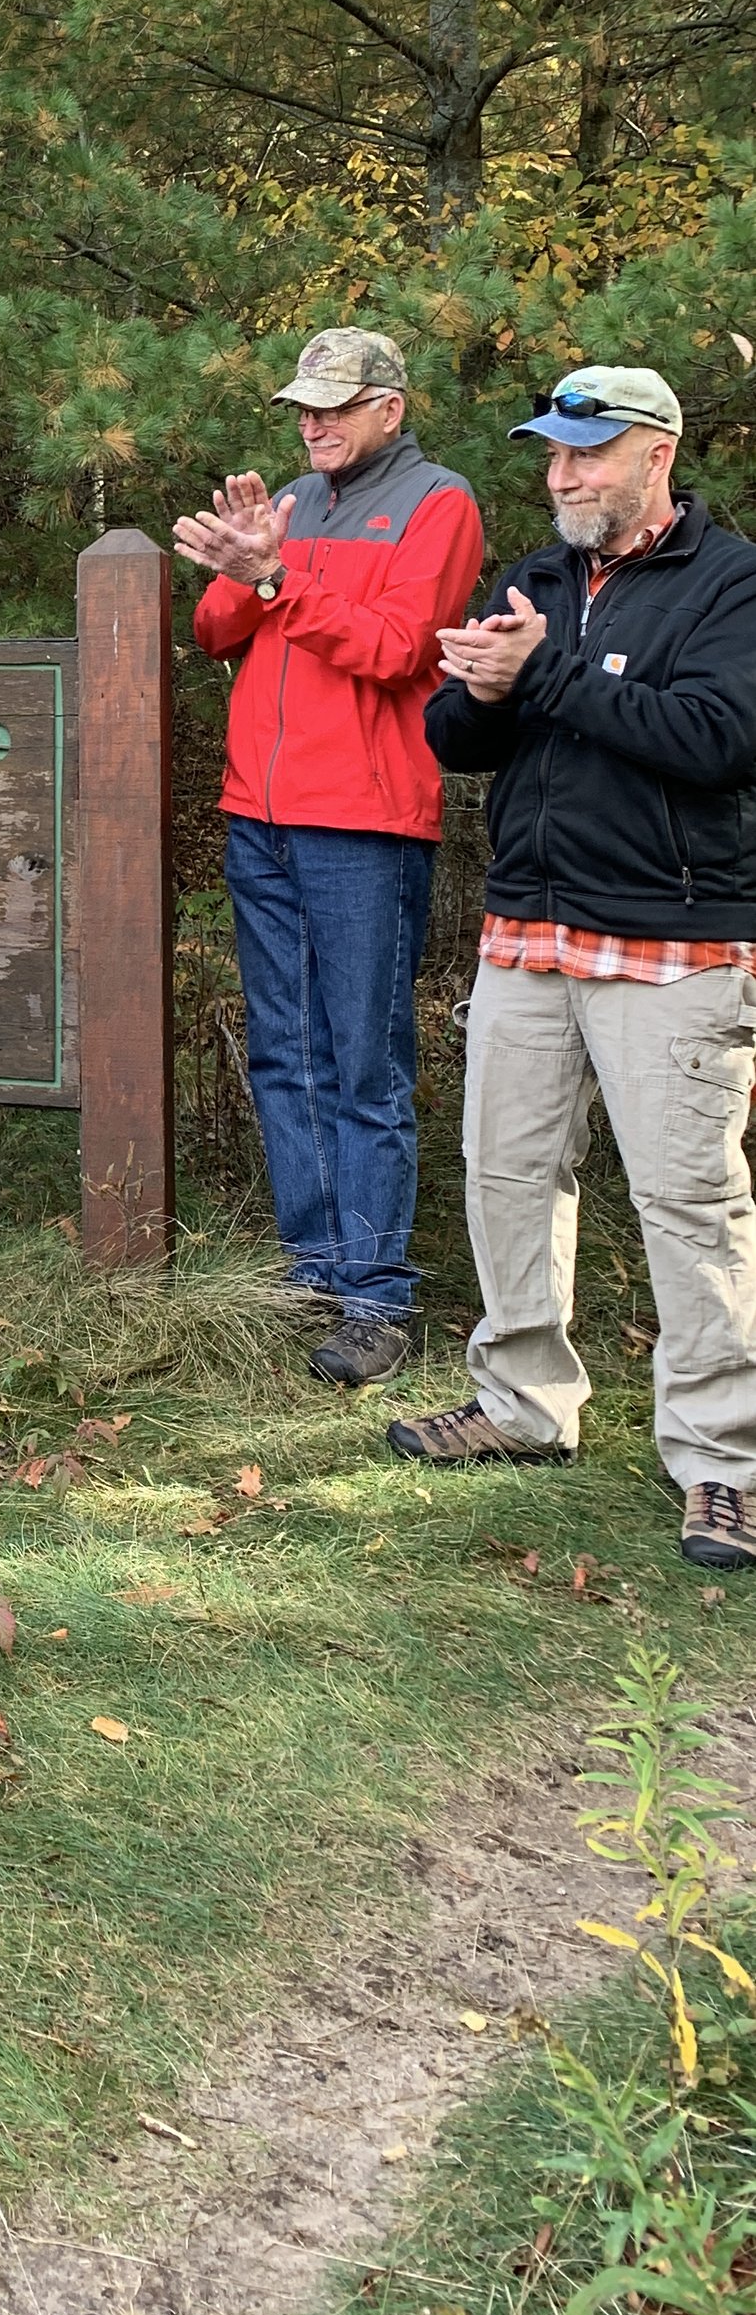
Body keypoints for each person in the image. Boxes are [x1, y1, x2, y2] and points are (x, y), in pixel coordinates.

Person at [394, 366, 756, 1573]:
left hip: (672, 943)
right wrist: (479, 690)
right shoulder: (541, 577)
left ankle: (723, 1463)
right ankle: (520, 1407)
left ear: (656, 453)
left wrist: (545, 676)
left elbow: (718, 741)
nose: (560, 477)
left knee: (689, 1206)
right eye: (550, 456)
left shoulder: (730, 580)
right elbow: (458, 747)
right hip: (528, 932)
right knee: (505, 1174)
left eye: (585, 456)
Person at [173, 328, 485, 1387]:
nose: (313, 423)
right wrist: (247, 565)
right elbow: (220, 631)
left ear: (388, 409)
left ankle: (374, 1298)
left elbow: (399, 650)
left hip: (362, 820)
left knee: (363, 1064)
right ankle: (308, 1269)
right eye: (303, 407)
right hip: (257, 814)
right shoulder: (294, 506)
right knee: (282, 1052)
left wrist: (274, 582)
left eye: (335, 407)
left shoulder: (437, 501)